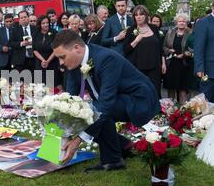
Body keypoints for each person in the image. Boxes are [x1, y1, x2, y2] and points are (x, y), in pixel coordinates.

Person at [52, 30, 160, 172]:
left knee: (97, 112)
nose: (60, 62)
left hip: (139, 99)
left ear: (77, 48)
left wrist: (78, 139)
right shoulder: (73, 64)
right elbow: (71, 99)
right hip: (115, 99)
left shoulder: (106, 58)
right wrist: (59, 127)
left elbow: (105, 104)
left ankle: (113, 161)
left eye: (62, 57)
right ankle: (123, 146)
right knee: (88, 111)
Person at [123, 5, 165, 97]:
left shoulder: (154, 28)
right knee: (142, 92)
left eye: (141, 14)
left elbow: (160, 47)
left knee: (155, 91)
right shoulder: (131, 30)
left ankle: (156, 111)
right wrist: (136, 40)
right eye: (136, 15)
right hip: (138, 68)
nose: (138, 17)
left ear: (146, 16)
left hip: (154, 67)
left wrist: (163, 63)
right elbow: (125, 50)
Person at [163, 13, 192, 104]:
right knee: (171, 88)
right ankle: (170, 111)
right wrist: (169, 50)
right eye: (179, 21)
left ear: (186, 22)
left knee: (183, 89)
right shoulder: (170, 32)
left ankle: (183, 112)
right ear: (176, 22)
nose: (181, 23)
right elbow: (164, 46)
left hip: (184, 65)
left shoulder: (191, 33)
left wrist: (184, 54)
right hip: (171, 64)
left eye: (183, 21)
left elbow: (193, 48)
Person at [33, 15, 61, 87]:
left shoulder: (54, 33)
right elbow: (34, 50)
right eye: (43, 23)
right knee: (39, 86)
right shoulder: (36, 33)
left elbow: (56, 49)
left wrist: (48, 61)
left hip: (52, 63)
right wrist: (43, 61)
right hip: (39, 63)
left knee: (50, 86)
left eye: (47, 23)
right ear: (40, 24)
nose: (46, 24)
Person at [194, 0, 214, 102]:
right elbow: (198, 47)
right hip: (209, 71)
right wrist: (199, 68)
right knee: (207, 104)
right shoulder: (203, 22)